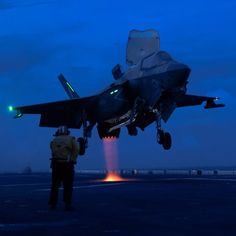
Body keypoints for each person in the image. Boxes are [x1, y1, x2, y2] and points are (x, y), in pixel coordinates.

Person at [49, 126, 80, 211]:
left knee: (54, 186)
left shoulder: (54, 140)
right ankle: (67, 204)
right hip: (67, 165)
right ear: (67, 132)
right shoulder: (71, 139)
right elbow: (77, 149)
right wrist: (73, 159)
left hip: (56, 165)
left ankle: (53, 204)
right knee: (68, 185)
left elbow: (51, 148)